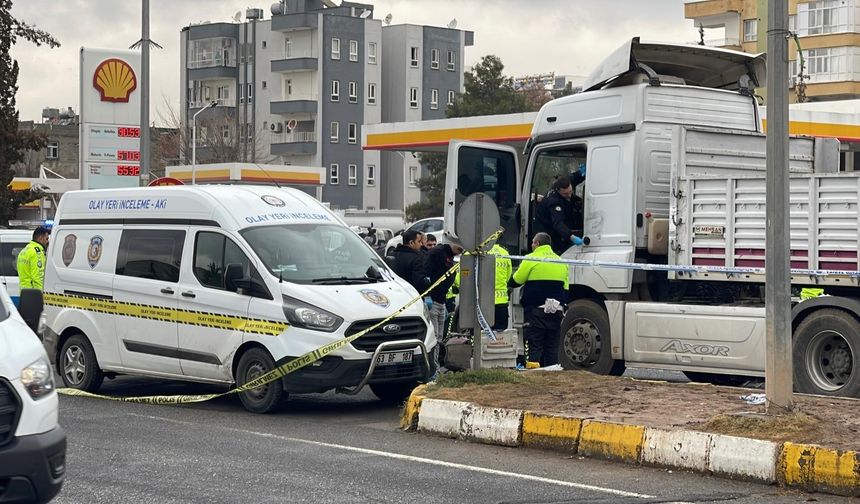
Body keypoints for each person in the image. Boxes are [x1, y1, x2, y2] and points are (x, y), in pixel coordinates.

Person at [511, 232, 569, 368]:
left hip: (536, 309)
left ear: (537, 244)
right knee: (552, 345)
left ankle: (534, 375)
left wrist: (509, 283)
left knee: (535, 344)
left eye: (532, 242)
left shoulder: (531, 258)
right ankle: (551, 372)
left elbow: (517, 279)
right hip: (557, 310)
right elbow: (566, 289)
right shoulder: (561, 261)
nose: (531, 245)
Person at [423, 242, 464, 371]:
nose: (460, 251)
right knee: (434, 336)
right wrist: (428, 294)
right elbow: (427, 274)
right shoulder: (438, 253)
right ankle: (432, 367)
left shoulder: (449, 256)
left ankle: (436, 365)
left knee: (439, 336)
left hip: (442, 300)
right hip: (434, 300)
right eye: (459, 248)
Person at [535, 170, 586, 255]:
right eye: (565, 194)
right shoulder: (553, 201)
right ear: (558, 190)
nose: (569, 195)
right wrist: (571, 236)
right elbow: (558, 224)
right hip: (547, 227)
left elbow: (575, 177)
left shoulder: (566, 182)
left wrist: (582, 173)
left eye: (570, 192)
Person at [490, 243, 513, 331]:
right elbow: (508, 275)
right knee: (500, 336)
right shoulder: (504, 253)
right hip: (501, 302)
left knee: (483, 335)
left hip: (483, 303)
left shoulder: (480, 252)